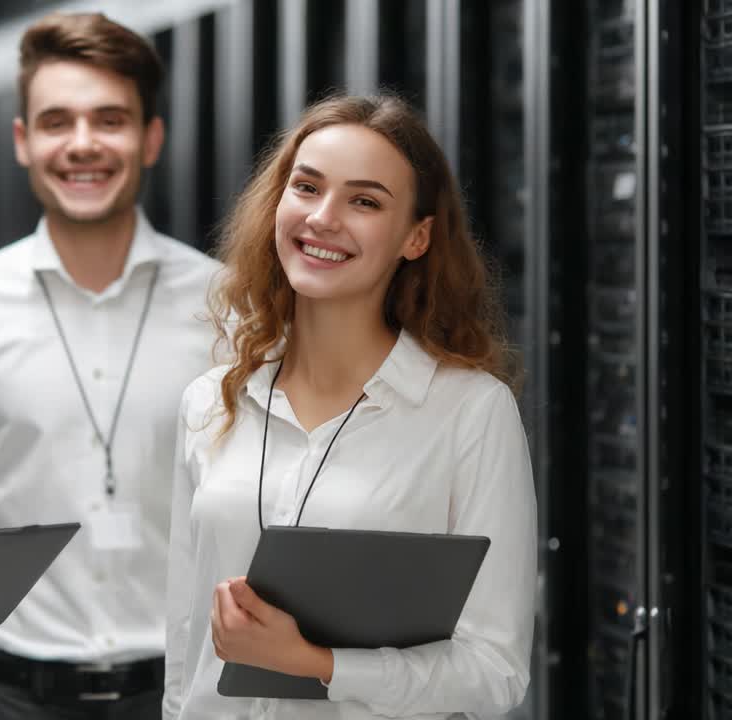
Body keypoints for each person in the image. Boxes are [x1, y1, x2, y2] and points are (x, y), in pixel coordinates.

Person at [163, 94, 537, 719]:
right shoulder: (211, 399)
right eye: (306, 188)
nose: (323, 218)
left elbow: (495, 671)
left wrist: (320, 665)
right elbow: (184, 639)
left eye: (364, 201)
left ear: (417, 238)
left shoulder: (469, 412)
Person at [0, 12, 221, 720]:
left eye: (109, 120)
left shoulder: (226, 304)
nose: (83, 145)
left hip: (182, 698)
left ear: (151, 138)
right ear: (24, 141)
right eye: (57, 122)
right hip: (14, 699)